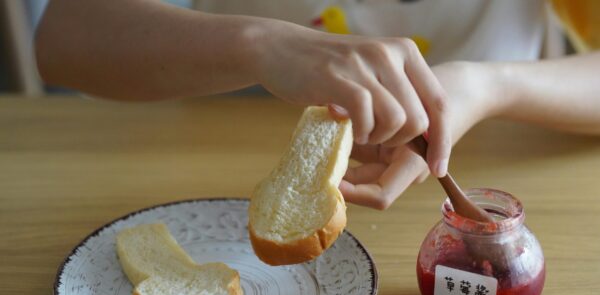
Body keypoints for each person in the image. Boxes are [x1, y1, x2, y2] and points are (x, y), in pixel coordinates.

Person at [34, 0, 600, 210]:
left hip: (450, 197)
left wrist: (487, 86)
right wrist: (259, 44)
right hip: (201, 189)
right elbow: (63, 39)